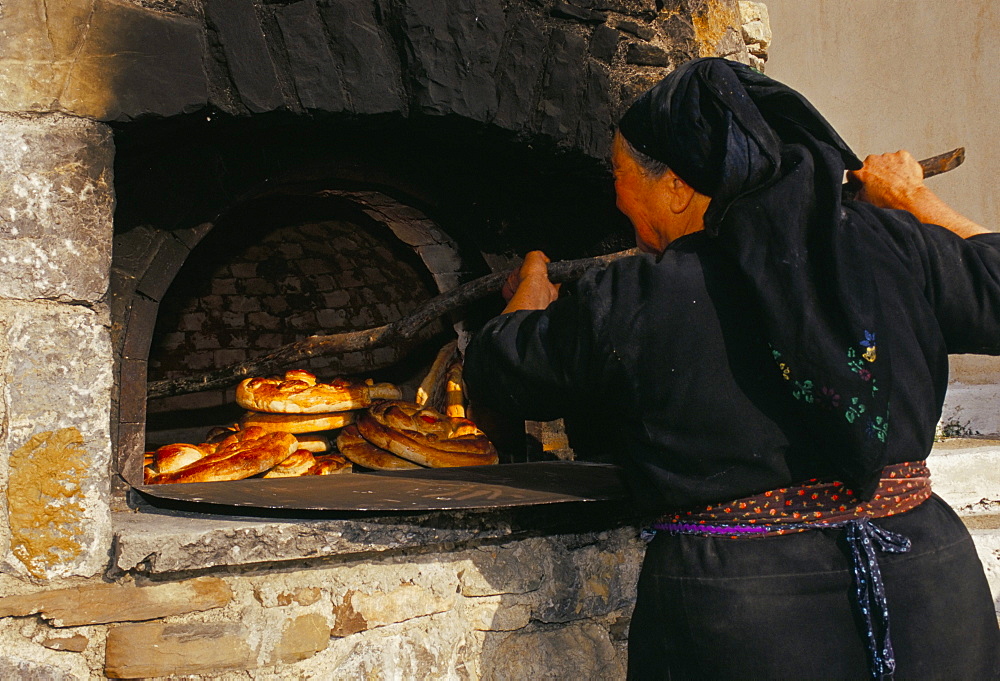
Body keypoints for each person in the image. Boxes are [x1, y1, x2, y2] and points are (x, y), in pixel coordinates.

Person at [463, 58, 1000, 680]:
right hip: (931, 591)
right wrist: (912, 199)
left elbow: (500, 366)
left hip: (743, 619)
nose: (615, 196)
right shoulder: (896, 247)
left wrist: (529, 285)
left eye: (618, 174)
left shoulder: (637, 295)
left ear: (679, 186)